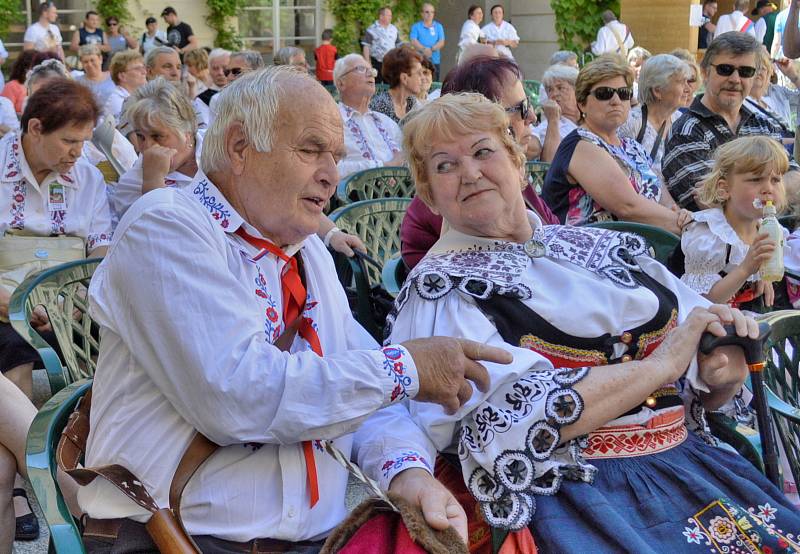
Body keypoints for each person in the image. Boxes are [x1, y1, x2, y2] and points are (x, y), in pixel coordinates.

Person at [77, 66, 514, 549]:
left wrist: (408, 475)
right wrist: (407, 367)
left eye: (336, 156)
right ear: (241, 148)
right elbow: (237, 395)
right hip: (175, 537)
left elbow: (367, 396)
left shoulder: (307, 253)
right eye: (311, 150)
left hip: (312, 541)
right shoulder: (165, 227)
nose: (331, 174)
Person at [390, 90, 800, 554]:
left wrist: (719, 370)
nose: (470, 172)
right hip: (575, 493)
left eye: (483, 151)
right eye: (445, 165)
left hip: (689, 464)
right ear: (428, 193)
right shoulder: (443, 289)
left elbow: (700, 342)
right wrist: (660, 366)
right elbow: (503, 423)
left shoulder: (600, 248)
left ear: (516, 161)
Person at [400, 56, 559, 270]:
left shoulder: (513, 181)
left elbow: (553, 234)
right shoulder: (458, 200)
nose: (532, 116)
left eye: (483, 152)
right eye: (522, 107)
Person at [543, 56, 689, 231]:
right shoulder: (581, 144)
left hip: (643, 240)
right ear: (582, 103)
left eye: (623, 94)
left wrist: (678, 214)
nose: (616, 100)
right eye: (604, 94)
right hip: (592, 249)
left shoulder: (632, 147)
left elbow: (660, 190)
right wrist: (685, 225)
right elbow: (628, 207)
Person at [663, 32, 800, 212]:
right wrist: (775, 191)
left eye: (745, 72)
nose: (735, 79)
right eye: (725, 69)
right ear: (705, 72)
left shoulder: (762, 124)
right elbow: (712, 201)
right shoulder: (686, 132)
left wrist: (745, 191)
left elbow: (796, 178)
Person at [682, 136, 789, 310]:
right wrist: (745, 269)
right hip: (709, 323)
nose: (768, 189)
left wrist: (764, 275)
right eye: (756, 180)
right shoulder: (710, 234)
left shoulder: (768, 229)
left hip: (748, 319)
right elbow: (699, 301)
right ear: (724, 189)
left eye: (775, 180)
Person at [619, 54, 693, 180]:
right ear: (657, 91)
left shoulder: (681, 121)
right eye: (681, 82)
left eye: (688, 81)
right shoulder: (631, 122)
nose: (688, 89)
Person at [334, 54, 403, 180]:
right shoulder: (332, 120)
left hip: (400, 194)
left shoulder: (386, 121)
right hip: (355, 197)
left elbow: (405, 156)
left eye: (372, 70)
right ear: (341, 83)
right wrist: (383, 167)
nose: (371, 74)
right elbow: (332, 168)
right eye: (361, 69)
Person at [746, 47, 799, 148]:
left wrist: (794, 76)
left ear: (771, 70)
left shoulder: (778, 92)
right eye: (754, 66)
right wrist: (795, 141)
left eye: (763, 66)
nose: (758, 71)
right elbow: (752, 141)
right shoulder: (741, 100)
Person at [530, 64, 580, 163]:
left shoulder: (590, 119)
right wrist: (553, 120)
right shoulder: (548, 127)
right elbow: (550, 163)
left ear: (577, 91)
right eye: (549, 90)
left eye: (560, 88)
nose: (553, 94)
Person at [369, 45, 422, 124]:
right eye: (419, 73)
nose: (422, 78)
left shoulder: (412, 103)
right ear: (404, 78)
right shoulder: (379, 106)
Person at [103, 50, 146, 122]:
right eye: (137, 69)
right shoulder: (117, 101)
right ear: (122, 76)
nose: (144, 72)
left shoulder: (139, 96)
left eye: (143, 68)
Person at [362, 6, 400, 84]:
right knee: (375, 85)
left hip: (390, 63)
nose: (390, 17)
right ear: (381, 16)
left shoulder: (394, 29)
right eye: (388, 15)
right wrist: (368, 64)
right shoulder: (371, 29)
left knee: (390, 85)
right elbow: (366, 46)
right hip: (376, 62)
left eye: (391, 15)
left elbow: (398, 45)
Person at [410, 3, 445, 81]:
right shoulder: (416, 26)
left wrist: (431, 49)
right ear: (422, 14)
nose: (430, 14)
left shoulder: (439, 26)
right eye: (427, 12)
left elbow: (441, 42)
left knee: (434, 86)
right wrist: (424, 49)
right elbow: (413, 41)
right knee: (419, 84)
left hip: (435, 61)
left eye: (432, 12)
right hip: (419, 61)